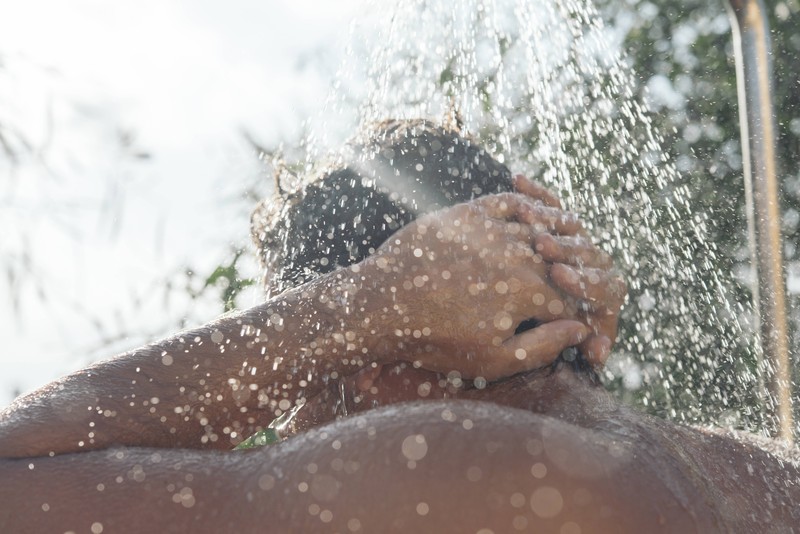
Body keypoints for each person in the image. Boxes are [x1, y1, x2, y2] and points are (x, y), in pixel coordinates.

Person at [0, 120, 798, 533]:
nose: (290, 416)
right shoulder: (769, 469)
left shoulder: (437, 469)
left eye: (301, 385)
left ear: (385, 346)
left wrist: (347, 311)